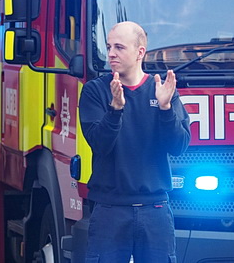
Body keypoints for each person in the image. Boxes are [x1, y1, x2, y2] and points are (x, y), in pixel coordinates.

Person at [79, 21, 191, 263]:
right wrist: (115, 111)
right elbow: (99, 144)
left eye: (119, 47)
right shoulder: (95, 91)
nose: (110, 53)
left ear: (140, 52)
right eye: (109, 47)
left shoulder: (161, 90)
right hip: (110, 210)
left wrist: (165, 109)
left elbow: (179, 146)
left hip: (156, 211)